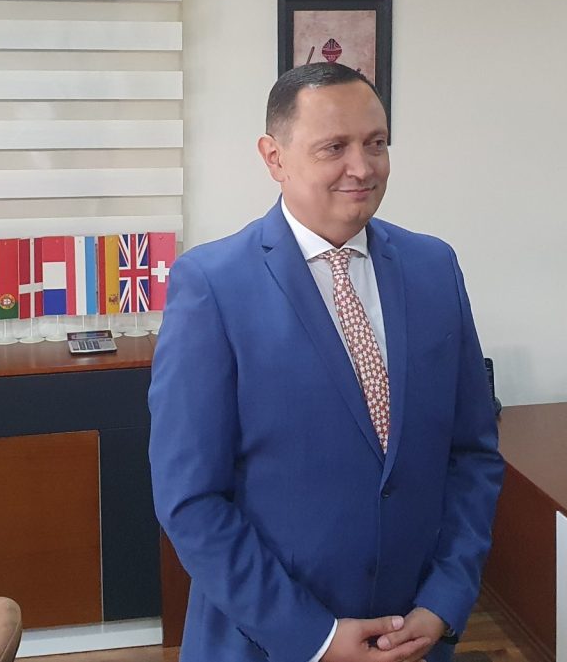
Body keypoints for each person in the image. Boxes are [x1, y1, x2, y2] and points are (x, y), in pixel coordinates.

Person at [149, 62, 504, 662]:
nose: (362, 168)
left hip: (413, 636)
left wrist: (445, 599)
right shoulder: (212, 286)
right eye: (333, 147)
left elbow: (471, 454)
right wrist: (313, 637)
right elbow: (191, 500)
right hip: (270, 641)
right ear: (274, 157)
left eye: (376, 143)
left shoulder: (434, 268)